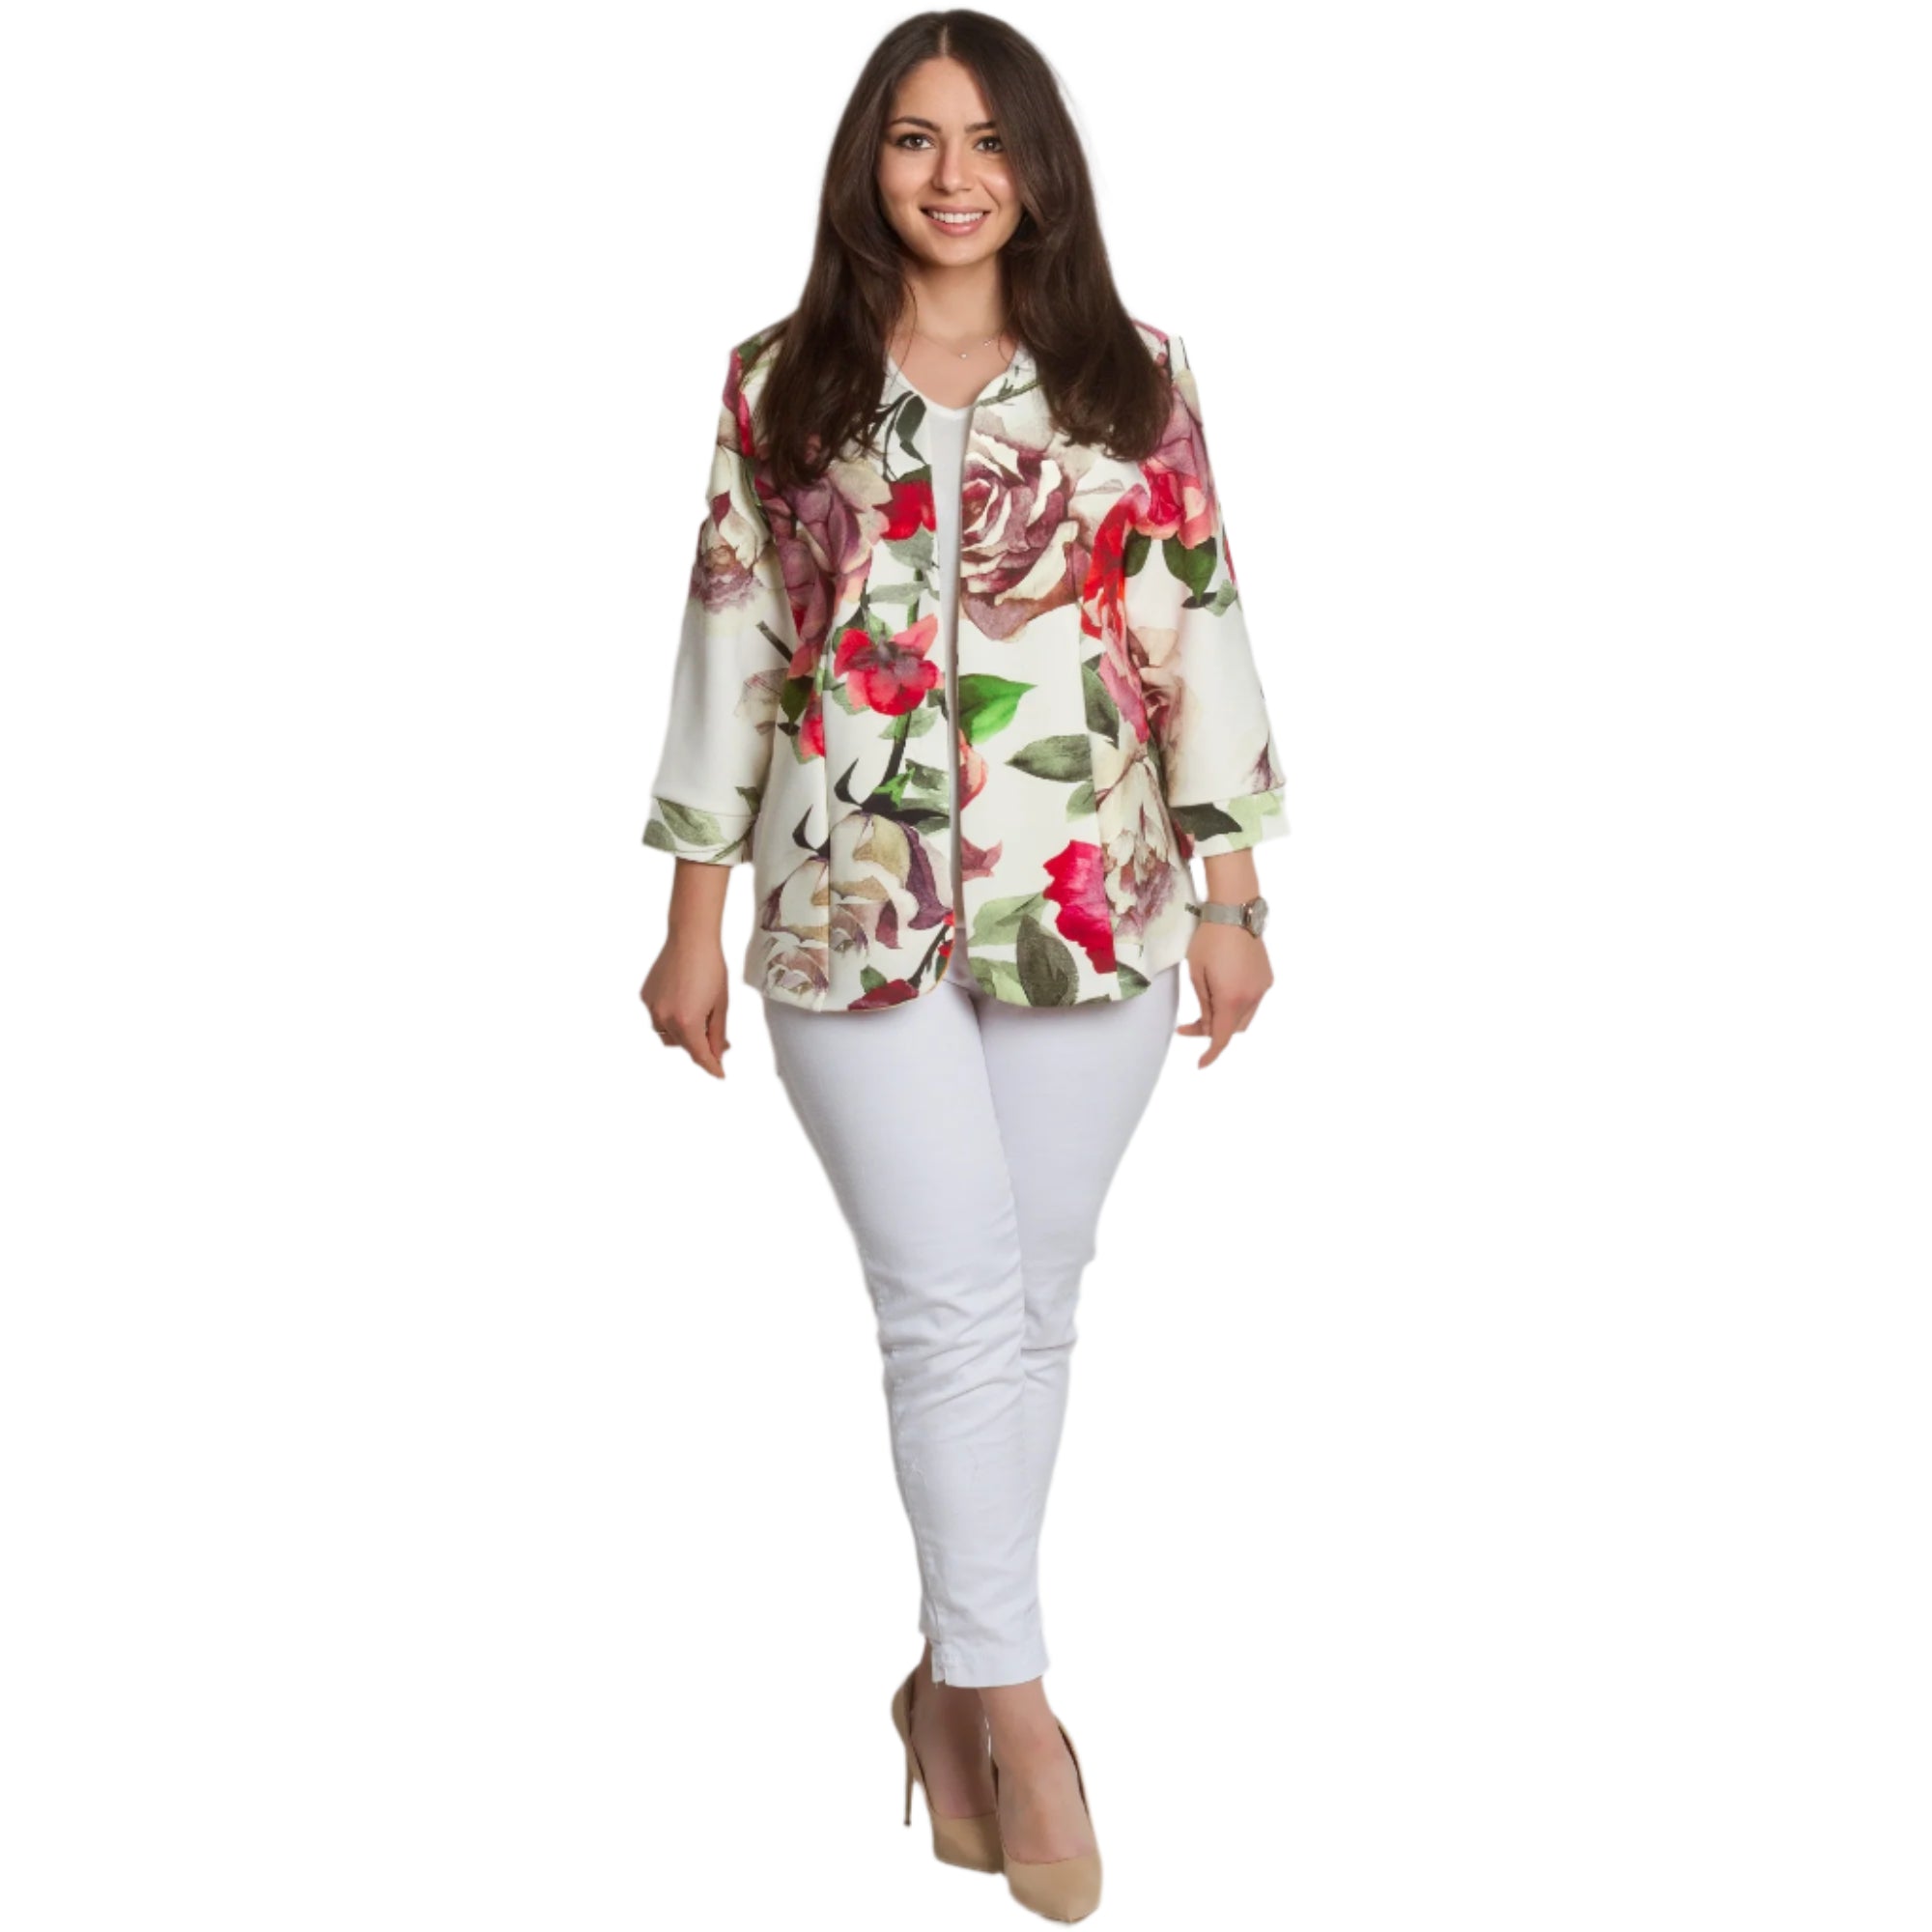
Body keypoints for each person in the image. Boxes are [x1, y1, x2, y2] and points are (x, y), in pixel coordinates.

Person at [638, 13, 1288, 1921]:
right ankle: (1016, 1708)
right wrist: (689, 916)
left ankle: (940, 1688)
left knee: (1033, 1299)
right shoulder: (780, 385)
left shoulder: (1130, 376)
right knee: (948, 1302)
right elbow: (733, 639)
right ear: (870, 163)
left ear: (1038, 169)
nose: (952, 176)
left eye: (988, 141)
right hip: (843, 904)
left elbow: (1195, 622)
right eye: (916, 139)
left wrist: (1234, 896)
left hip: (1091, 897)